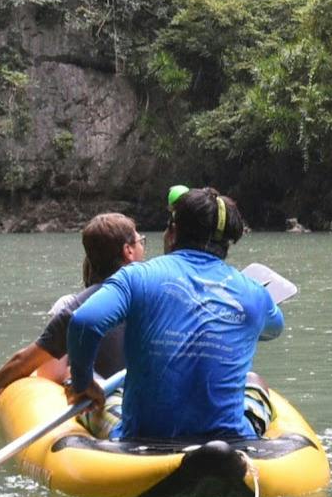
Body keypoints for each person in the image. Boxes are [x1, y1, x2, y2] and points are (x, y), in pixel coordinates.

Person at [62, 186, 283, 442]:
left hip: (144, 437)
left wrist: (83, 383)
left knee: (108, 397)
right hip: (227, 438)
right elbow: (273, 328)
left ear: (172, 232)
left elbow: (84, 322)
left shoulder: (137, 276)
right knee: (255, 381)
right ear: (227, 243)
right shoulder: (254, 294)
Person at [0, 212, 143, 409]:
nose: (143, 246)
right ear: (128, 251)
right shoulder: (158, 288)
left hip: (120, 401)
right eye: (140, 241)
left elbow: (27, 360)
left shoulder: (79, 305)